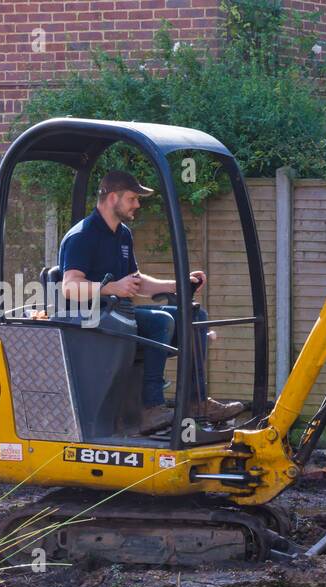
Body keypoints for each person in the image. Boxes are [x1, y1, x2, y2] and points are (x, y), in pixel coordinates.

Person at [59, 169, 243, 433]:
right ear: (113, 198)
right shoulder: (83, 235)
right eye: (133, 198)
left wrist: (177, 285)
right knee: (161, 322)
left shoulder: (123, 234)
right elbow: (69, 286)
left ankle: (196, 402)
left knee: (194, 316)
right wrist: (112, 287)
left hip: (119, 314)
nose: (137, 204)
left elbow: (135, 282)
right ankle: (151, 408)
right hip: (90, 321)